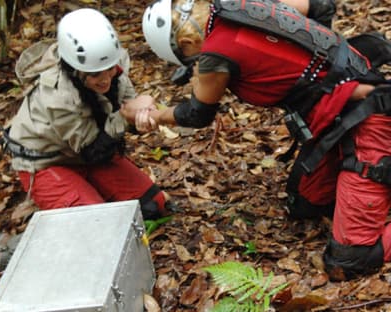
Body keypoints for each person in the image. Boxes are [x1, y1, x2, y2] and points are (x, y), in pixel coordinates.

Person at [141, 0, 391, 281]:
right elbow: (321, 7)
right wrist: (321, 71)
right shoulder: (240, 5)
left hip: (370, 118)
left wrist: (154, 115)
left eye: (188, 56)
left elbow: (196, 114)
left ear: (186, 40)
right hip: (339, 117)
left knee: (348, 262)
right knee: (306, 204)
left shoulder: (214, 55)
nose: (194, 63)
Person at [6, 8, 167, 220]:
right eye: (94, 74)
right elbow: (93, 149)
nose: (105, 79)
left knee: (152, 206)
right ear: (74, 69)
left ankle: (85, 191)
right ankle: (62, 196)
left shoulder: (113, 65)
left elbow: (127, 106)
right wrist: (124, 118)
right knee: (96, 223)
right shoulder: (58, 96)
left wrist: (144, 111)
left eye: (109, 69)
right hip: (47, 161)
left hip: (88, 154)